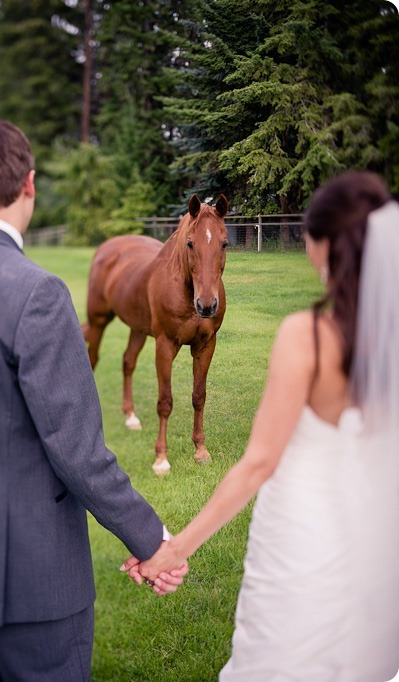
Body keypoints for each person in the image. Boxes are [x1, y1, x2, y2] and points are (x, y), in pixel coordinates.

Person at [126, 171, 399, 681]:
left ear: (319, 245)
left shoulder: (310, 336)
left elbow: (258, 466)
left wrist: (174, 548)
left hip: (305, 538)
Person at [0, 116, 186, 682]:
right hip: (36, 580)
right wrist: (150, 540)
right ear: (29, 184)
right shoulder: (37, 293)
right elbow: (75, 447)